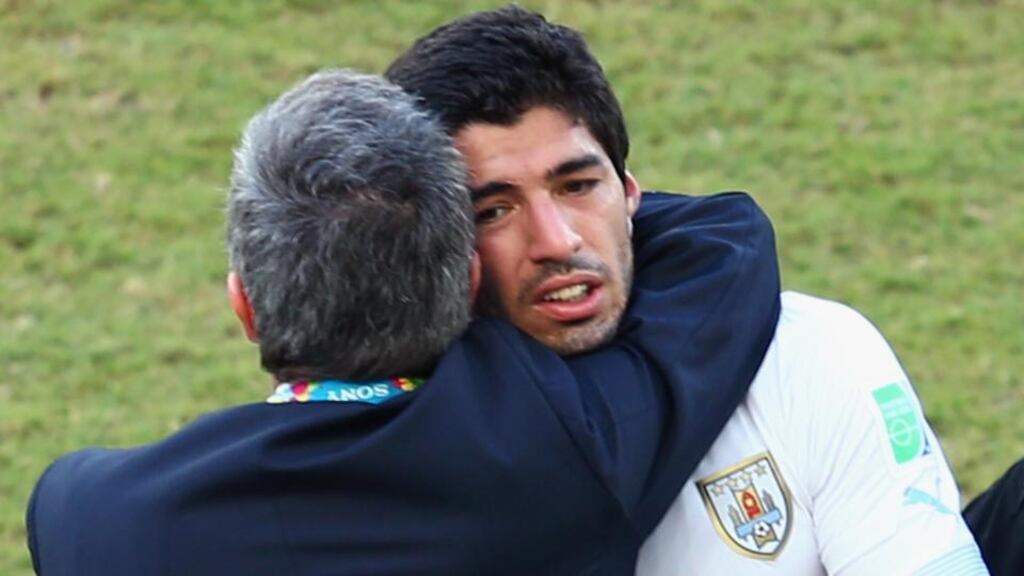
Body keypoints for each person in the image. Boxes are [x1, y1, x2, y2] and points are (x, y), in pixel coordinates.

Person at [26, 69, 780, 574]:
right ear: (471, 279)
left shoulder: (92, 519)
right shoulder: (556, 453)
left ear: (244, 307)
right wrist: (591, 199)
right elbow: (725, 244)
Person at [385, 5, 989, 574]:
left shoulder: (810, 354)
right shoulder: (395, 437)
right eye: (494, 211)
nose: (557, 240)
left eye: (577, 186)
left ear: (629, 193)